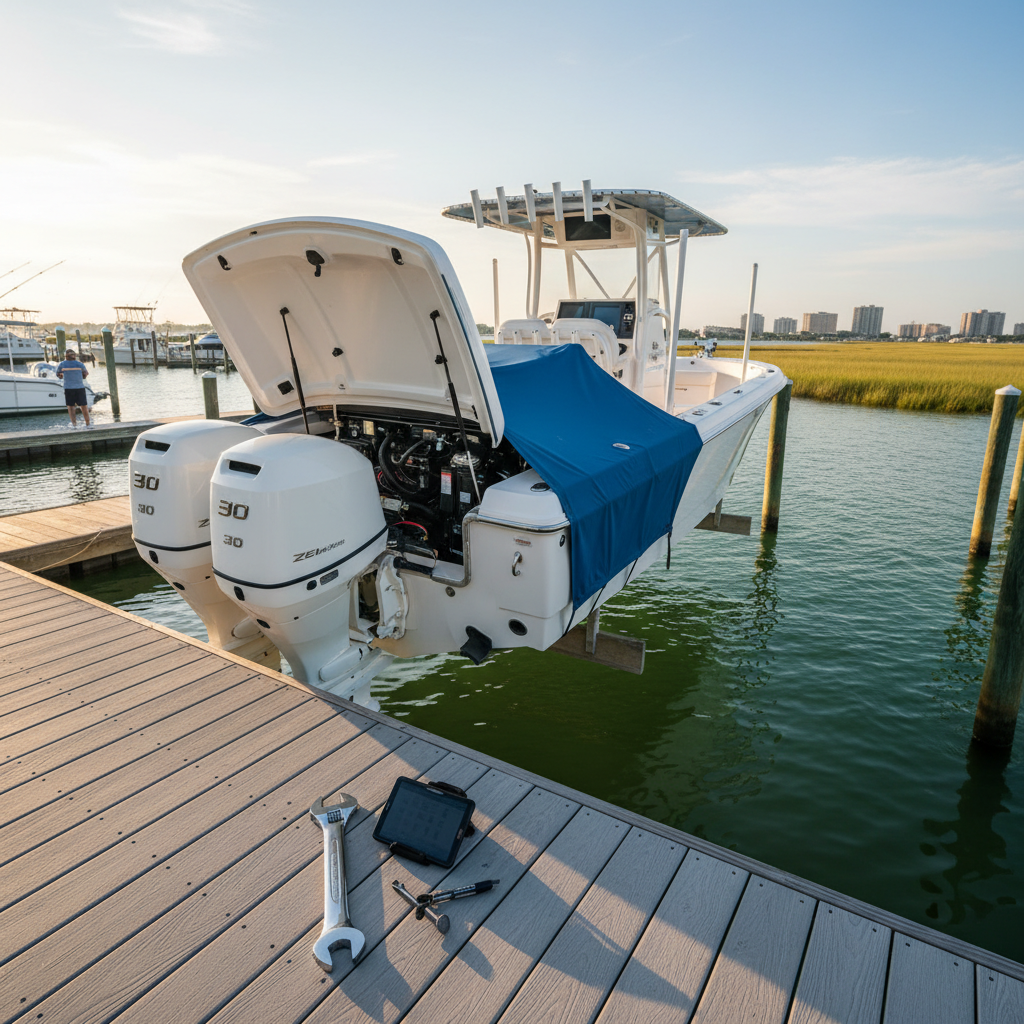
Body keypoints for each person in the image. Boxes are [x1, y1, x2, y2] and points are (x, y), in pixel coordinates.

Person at [56, 348, 91, 427]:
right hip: (79, 387)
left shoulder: (62, 364)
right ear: (74, 356)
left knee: (71, 407)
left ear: (66, 356)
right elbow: (85, 374)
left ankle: (74, 424)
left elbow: (58, 374)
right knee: (83, 406)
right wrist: (81, 376)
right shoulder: (80, 364)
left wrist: (61, 375)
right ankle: (88, 423)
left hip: (68, 388)